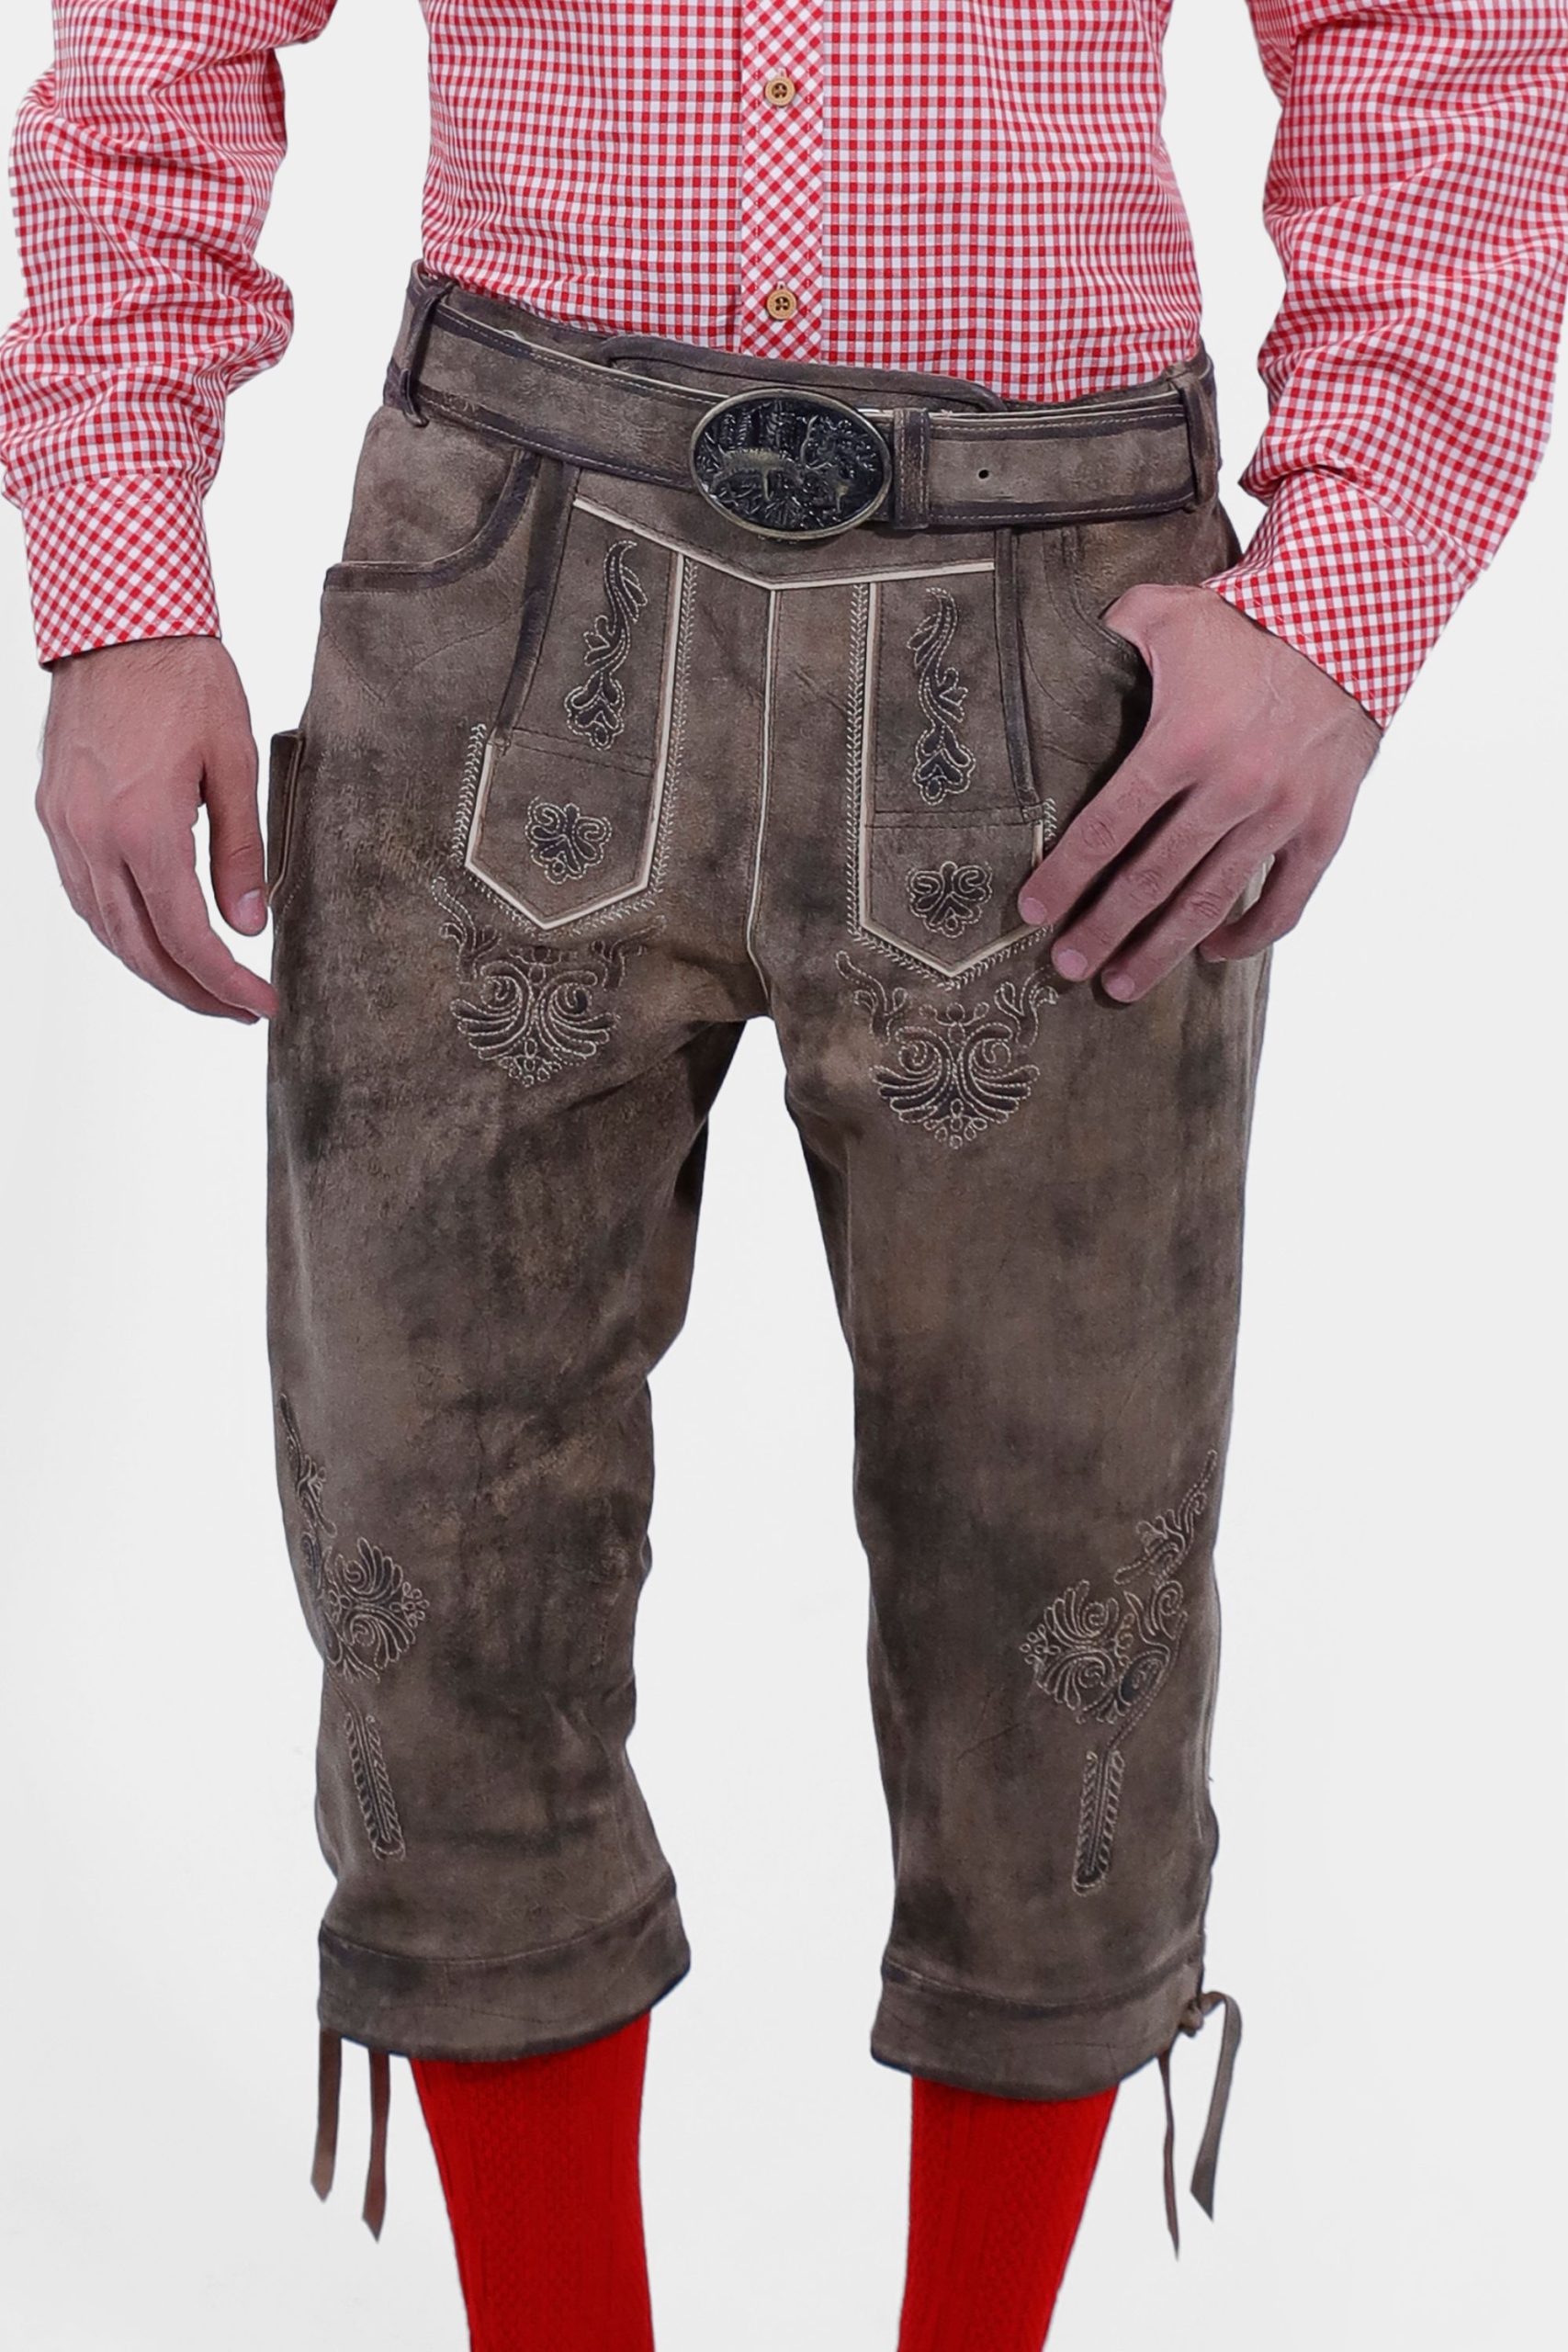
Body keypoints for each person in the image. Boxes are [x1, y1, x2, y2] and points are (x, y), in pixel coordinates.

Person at [3, 4, 1564, 2346]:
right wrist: (118, 581)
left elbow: (1437, 42)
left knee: (1066, 1587)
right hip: (504, 561)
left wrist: (1344, 591)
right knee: (431, 1555)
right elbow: (161, 31)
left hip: (1063, 629)